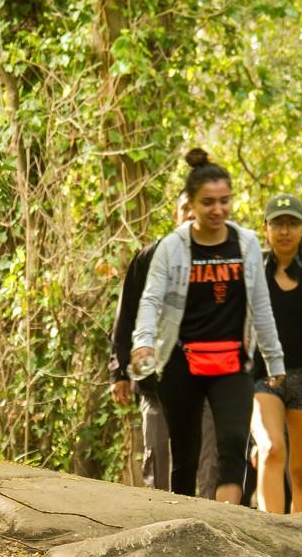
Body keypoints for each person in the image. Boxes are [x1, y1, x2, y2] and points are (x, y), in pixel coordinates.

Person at [131, 148, 285, 503]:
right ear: (193, 204)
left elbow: (261, 304)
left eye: (224, 201)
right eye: (208, 202)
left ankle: (226, 525)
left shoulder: (245, 243)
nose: (218, 210)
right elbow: (151, 300)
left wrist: (274, 360)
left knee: (232, 444)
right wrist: (144, 343)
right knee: (185, 456)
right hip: (182, 362)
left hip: (231, 363)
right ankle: (183, 524)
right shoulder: (172, 247)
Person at [109, 193, 219, 497]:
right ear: (176, 215)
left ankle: (210, 525)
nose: (189, 214)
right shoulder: (149, 257)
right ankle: (159, 524)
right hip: (156, 379)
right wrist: (119, 372)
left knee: (208, 463)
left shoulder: (222, 259)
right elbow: (126, 315)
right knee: (157, 459)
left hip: (208, 378)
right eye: (184, 208)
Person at [250, 193, 302, 514]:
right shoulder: (253, 269)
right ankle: (270, 535)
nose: (285, 231)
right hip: (265, 376)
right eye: (278, 224)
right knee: (270, 448)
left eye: (292, 224)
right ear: (266, 228)